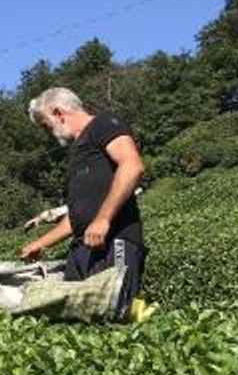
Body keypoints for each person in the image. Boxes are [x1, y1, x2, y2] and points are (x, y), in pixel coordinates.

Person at [19, 87, 146, 316]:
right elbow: (77, 216)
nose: (48, 133)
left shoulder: (103, 125)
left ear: (58, 113)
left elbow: (132, 166)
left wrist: (103, 219)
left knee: (115, 314)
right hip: (82, 250)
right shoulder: (77, 153)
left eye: (46, 126)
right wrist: (41, 243)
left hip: (114, 241)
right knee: (78, 322)